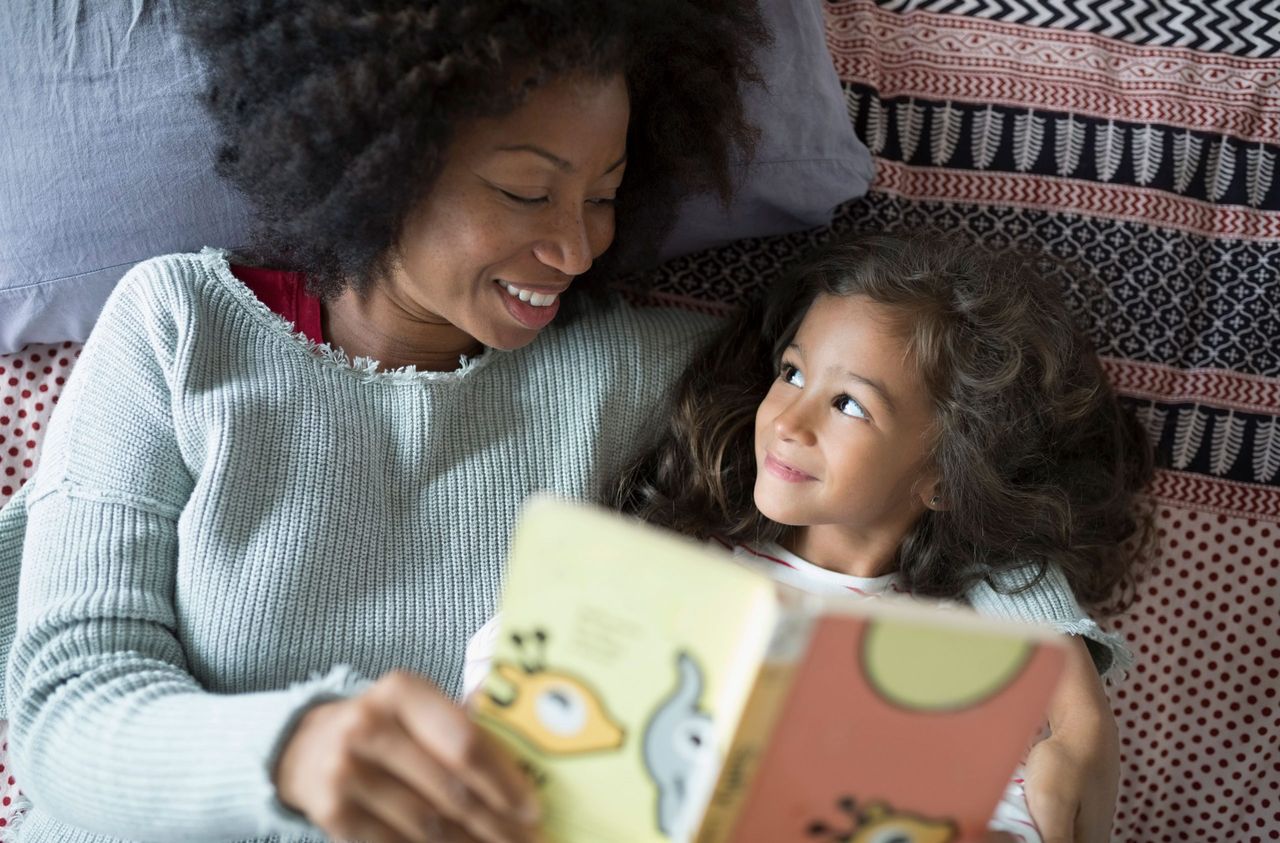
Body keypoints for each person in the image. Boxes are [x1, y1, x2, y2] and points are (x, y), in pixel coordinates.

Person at [0, 3, 1115, 842]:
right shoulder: (178, 328)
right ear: (377, 164)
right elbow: (65, 713)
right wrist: (293, 751)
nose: (579, 247)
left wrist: (1046, 646)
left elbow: (916, 431)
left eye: (606, 192)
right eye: (528, 194)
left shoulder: (630, 367)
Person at [613, 233, 1154, 842]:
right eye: (792, 373)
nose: (789, 421)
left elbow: (1008, 809)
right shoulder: (682, 564)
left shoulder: (962, 653)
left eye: (849, 406)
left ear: (944, 475)